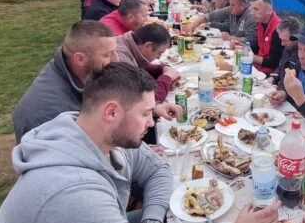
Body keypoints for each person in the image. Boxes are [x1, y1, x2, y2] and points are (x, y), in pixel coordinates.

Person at [0, 63, 173, 223]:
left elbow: (158, 170)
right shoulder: (77, 194)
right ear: (112, 112)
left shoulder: (101, 134)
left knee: (176, 218)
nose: (151, 122)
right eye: (145, 113)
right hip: (82, 211)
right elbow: (82, 204)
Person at [12, 21, 181, 143]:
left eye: (115, 51)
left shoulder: (77, 71)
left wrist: (154, 108)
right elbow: (85, 154)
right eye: (107, 55)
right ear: (80, 59)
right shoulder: (53, 112)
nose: (116, 59)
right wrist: (131, 158)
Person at [116, 23, 180, 104]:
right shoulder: (121, 59)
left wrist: (161, 68)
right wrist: (167, 77)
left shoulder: (129, 43)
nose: (159, 58)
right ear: (148, 45)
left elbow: (138, 67)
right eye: (159, 53)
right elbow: (147, 101)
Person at [183, 0, 257, 44]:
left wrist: (230, 38)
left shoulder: (250, 17)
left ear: (242, 6)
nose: (230, 7)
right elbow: (212, 15)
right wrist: (194, 24)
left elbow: (251, 41)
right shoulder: (232, 10)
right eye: (230, 4)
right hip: (232, 46)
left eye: (233, 5)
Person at [238, 0, 282, 76]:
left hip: (269, 75)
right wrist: (243, 47)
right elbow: (258, 48)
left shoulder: (278, 29)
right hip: (258, 68)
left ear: (268, 10)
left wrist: (250, 56)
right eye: (252, 9)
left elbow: (273, 62)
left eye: (256, 9)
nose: (252, 13)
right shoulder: (260, 23)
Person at [270, 16, 302, 84]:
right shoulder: (287, 49)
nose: (282, 44)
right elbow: (281, 66)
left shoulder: (302, 55)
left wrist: (281, 90)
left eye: (285, 40)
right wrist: (272, 78)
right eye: (281, 40)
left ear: (295, 37)